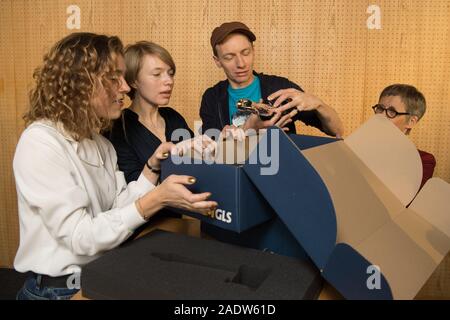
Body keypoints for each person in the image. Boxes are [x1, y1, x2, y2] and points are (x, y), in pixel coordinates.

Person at [13, 32, 217, 300]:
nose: (124, 87)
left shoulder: (100, 143)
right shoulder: (40, 143)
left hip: (103, 273)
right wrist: (156, 199)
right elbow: (80, 236)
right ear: (81, 83)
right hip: (61, 290)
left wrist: (153, 167)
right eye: (113, 79)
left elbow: (118, 205)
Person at [199, 21, 344, 138]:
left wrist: (319, 104)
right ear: (217, 61)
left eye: (246, 53)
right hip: (233, 173)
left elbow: (336, 131)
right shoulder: (212, 98)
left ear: (253, 51)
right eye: (229, 57)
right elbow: (209, 152)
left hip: (280, 170)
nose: (241, 63)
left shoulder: (280, 87)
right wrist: (247, 130)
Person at [107, 41, 213, 183]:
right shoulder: (119, 128)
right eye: (157, 74)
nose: (168, 81)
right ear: (133, 81)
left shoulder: (173, 117)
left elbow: (199, 165)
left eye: (170, 74)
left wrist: (221, 145)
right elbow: (133, 188)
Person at [373, 84, 436, 188]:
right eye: (380, 109)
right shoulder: (356, 149)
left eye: (392, 112)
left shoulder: (423, 161)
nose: (381, 116)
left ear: (411, 121)